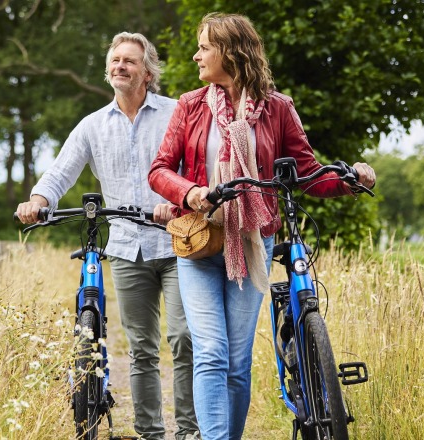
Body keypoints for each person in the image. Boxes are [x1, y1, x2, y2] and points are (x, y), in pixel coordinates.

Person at [147, 13, 376, 440]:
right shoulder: (191, 104)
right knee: (211, 353)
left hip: (253, 241)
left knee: (236, 361)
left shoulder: (278, 108)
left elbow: (307, 173)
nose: (196, 55)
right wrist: (193, 192)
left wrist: (352, 180)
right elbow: (160, 170)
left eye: (204, 47)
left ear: (230, 52)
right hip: (199, 239)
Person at [16, 32, 199, 440]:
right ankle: (151, 432)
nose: (120, 66)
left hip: (176, 241)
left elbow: (197, 168)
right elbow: (61, 171)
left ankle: (189, 431)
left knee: (184, 338)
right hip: (125, 247)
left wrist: (185, 201)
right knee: (141, 348)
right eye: (115, 60)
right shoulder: (92, 126)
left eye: (129, 61)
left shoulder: (176, 114)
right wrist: (37, 199)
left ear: (148, 72)